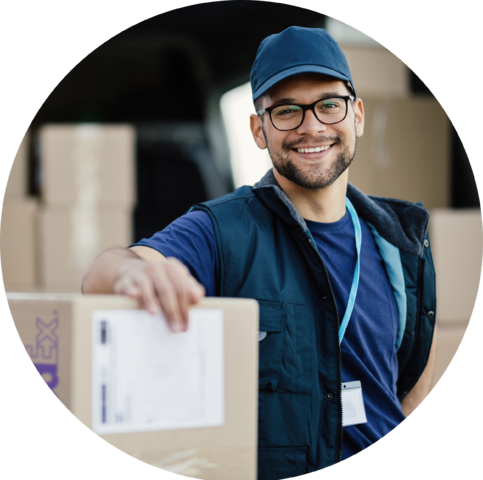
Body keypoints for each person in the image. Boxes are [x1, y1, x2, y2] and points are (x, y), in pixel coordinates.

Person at [82, 26, 437, 478]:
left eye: (329, 104)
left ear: (357, 116)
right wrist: (130, 275)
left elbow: (408, 389)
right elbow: (104, 272)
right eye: (287, 111)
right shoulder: (221, 230)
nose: (312, 126)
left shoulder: (402, 241)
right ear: (258, 129)